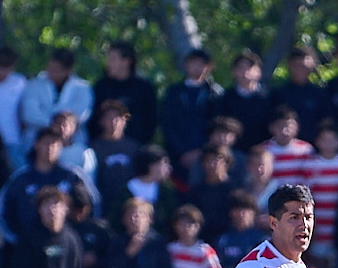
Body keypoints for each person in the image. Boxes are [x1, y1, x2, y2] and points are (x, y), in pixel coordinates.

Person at [0, 126, 99, 247]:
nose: (50, 148)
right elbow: (3, 213)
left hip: (67, 247)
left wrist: (82, 242)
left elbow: (93, 206)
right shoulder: (20, 179)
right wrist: (18, 243)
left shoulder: (73, 177)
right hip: (29, 249)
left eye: (55, 144)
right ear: (36, 145)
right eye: (46, 143)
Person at [160, 48, 224, 186]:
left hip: (207, 157)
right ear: (185, 64)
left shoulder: (216, 94)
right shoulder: (174, 92)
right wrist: (182, 152)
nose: (197, 67)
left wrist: (201, 151)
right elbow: (168, 124)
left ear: (209, 67)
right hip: (177, 156)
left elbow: (217, 125)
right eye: (193, 63)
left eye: (201, 64)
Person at [19, 49, 93, 152]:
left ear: (68, 70)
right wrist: (54, 123)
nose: (50, 72)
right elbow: (29, 113)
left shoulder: (82, 87)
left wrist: (61, 122)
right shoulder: (34, 85)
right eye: (49, 67)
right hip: (37, 143)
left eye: (56, 70)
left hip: (71, 143)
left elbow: (81, 114)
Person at [304, 119, 338, 260]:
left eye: (332, 140)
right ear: (317, 141)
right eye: (324, 140)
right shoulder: (310, 165)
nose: (328, 144)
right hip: (319, 226)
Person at [89, 42, 157, 145]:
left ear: (126, 61)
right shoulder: (101, 87)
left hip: (136, 146)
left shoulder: (143, 88)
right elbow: (93, 119)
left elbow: (150, 119)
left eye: (113, 59)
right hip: (104, 146)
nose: (108, 63)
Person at [88, 99, 140, 219]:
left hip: (129, 203)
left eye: (119, 118)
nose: (114, 122)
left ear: (125, 121)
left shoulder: (134, 148)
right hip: (102, 202)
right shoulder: (93, 147)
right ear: (101, 121)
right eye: (109, 118)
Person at [183, 145, 238, 245]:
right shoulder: (196, 191)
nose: (212, 165)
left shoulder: (235, 190)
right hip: (201, 239)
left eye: (216, 160)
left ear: (226, 163)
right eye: (208, 161)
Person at [270, 46, 325, 145]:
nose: (300, 70)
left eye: (304, 67)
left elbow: (325, 124)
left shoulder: (320, 95)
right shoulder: (278, 94)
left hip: (312, 150)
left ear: (312, 67)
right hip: (284, 150)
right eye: (297, 66)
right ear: (290, 66)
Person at [219, 50, 272, 152]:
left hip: (262, 153)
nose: (245, 71)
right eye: (241, 68)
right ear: (233, 72)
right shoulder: (225, 99)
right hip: (233, 153)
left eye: (250, 67)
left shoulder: (268, 98)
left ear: (259, 72)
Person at [215, 190, 268, 268]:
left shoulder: (262, 240)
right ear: (231, 213)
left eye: (246, 210)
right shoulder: (223, 239)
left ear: (253, 212)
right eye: (238, 210)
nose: (241, 214)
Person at [260, 106, 315, 186]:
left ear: (297, 127)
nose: (284, 131)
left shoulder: (306, 150)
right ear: (271, 128)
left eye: (288, 126)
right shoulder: (264, 149)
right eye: (279, 127)